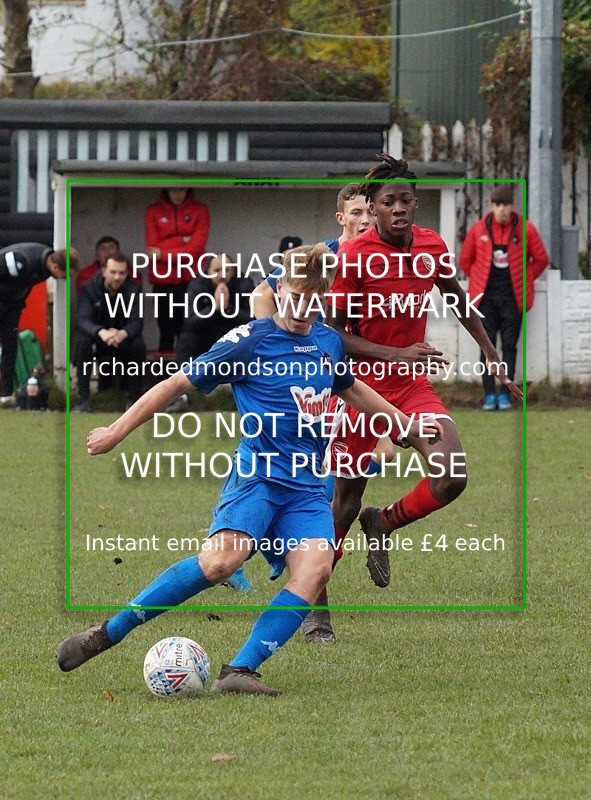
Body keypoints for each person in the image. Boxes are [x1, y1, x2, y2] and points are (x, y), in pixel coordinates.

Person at [55, 244, 442, 695]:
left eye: (313, 299)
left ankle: (239, 671)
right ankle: (107, 634)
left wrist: (403, 424)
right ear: (280, 288)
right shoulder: (249, 341)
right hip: (258, 478)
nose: (302, 307)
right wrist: (116, 431)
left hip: (307, 487)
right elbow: (176, 384)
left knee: (316, 570)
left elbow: (353, 389)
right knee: (220, 563)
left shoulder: (327, 342)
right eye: (295, 295)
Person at [325, 154, 521, 600]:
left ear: (415, 204)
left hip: (410, 386)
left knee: (452, 475)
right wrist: (397, 353)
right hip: (358, 390)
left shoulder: (431, 246)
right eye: (388, 202)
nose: (398, 208)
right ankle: (314, 606)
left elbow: (458, 298)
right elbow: (333, 335)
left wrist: (491, 354)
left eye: (406, 200)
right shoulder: (352, 256)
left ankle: (383, 521)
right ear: (373, 208)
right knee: (343, 506)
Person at [459, 184, 549, 411]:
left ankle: (505, 394)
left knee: (509, 347)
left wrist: (525, 278)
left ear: (512, 206)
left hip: (513, 299)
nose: (502, 209)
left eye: (506, 204)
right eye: (497, 204)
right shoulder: (479, 229)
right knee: (486, 347)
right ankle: (489, 394)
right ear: (491, 206)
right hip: (485, 301)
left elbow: (541, 259)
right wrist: (479, 279)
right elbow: (466, 261)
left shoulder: (526, 230)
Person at [252, 184, 374, 318]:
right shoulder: (318, 255)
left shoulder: (387, 255)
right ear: (341, 218)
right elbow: (261, 295)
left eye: (371, 212)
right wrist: (277, 332)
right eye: (356, 213)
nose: (365, 220)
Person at [0, 243, 81, 407]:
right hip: (4, 302)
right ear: (55, 266)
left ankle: (5, 396)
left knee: (10, 346)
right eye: (65, 275)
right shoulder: (23, 261)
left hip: (11, 305)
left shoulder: (45, 264)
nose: (64, 279)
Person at [74, 251, 146, 412]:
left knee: (138, 345)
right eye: (113, 272)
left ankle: (133, 401)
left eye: (122, 273)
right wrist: (102, 333)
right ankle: (83, 400)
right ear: (104, 271)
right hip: (98, 338)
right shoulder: (88, 288)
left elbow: (137, 322)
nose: (117, 277)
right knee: (83, 342)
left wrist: (121, 334)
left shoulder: (134, 289)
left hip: (122, 339)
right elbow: (83, 320)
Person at [145, 187, 210, 352]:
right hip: (162, 280)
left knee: (189, 329)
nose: (178, 195)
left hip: (190, 279)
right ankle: (164, 366)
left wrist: (163, 253)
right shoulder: (153, 211)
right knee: (165, 330)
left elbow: (196, 249)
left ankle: (189, 368)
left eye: (181, 190)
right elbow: (152, 250)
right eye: (173, 190)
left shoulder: (199, 210)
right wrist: (183, 241)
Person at [176, 253, 254, 365]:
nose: (222, 275)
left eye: (226, 270)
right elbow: (189, 321)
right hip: (206, 330)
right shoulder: (197, 285)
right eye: (217, 270)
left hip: (233, 331)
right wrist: (214, 308)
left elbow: (252, 319)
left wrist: (228, 309)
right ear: (208, 271)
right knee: (186, 337)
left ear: (233, 272)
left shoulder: (244, 284)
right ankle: (185, 374)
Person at [76, 236, 142, 293]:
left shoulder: (133, 274)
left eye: (111, 247)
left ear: (118, 253)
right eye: (103, 248)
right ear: (97, 256)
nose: (107, 251)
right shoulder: (85, 275)